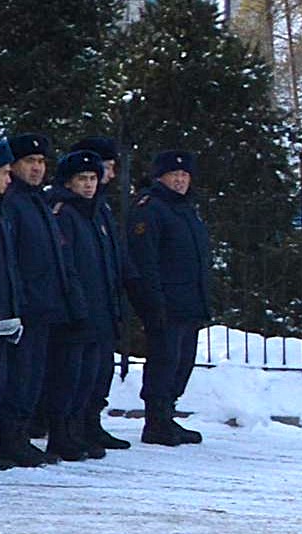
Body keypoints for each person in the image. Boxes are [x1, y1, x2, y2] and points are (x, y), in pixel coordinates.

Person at [125, 151, 215, 446]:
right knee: (164, 361)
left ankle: (167, 415)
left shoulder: (185, 209)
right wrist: (152, 301)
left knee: (181, 361)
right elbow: (145, 260)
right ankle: (156, 420)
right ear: (160, 177)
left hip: (189, 301)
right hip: (166, 302)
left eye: (184, 175)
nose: (179, 181)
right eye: (173, 175)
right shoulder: (150, 209)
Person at [0, 137, 63, 467]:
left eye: (41, 161)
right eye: (29, 160)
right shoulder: (13, 201)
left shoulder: (38, 201)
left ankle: (21, 435)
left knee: (33, 376)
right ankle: (11, 437)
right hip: (24, 304)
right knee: (18, 377)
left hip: (43, 304)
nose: (36, 168)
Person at [47, 149, 127, 458]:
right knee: (69, 377)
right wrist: (76, 304)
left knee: (90, 377)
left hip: (100, 308)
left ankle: (81, 428)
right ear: (68, 182)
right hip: (76, 311)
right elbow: (66, 265)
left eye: (93, 178)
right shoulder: (64, 212)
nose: (89, 185)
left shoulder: (96, 211)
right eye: (82, 179)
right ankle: (63, 432)